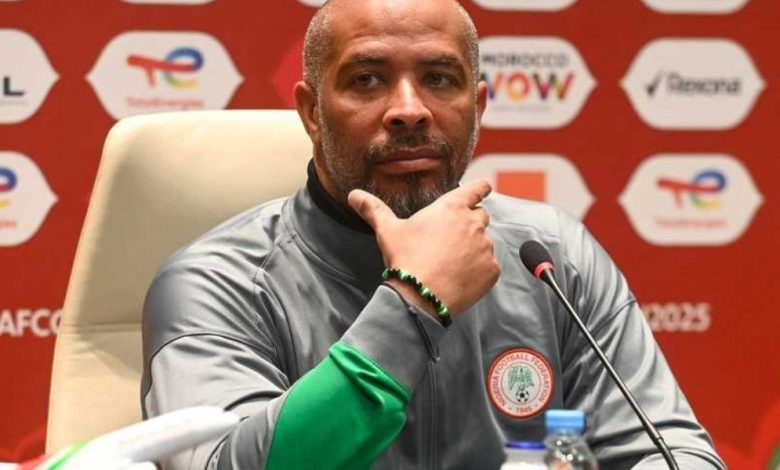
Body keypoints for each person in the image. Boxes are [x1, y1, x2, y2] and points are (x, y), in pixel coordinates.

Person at [141, 0, 725, 468]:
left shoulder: (549, 255)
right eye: (367, 80)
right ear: (313, 112)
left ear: (478, 107)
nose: (409, 109)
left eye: (439, 79)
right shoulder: (216, 281)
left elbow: (673, 450)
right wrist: (412, 302)